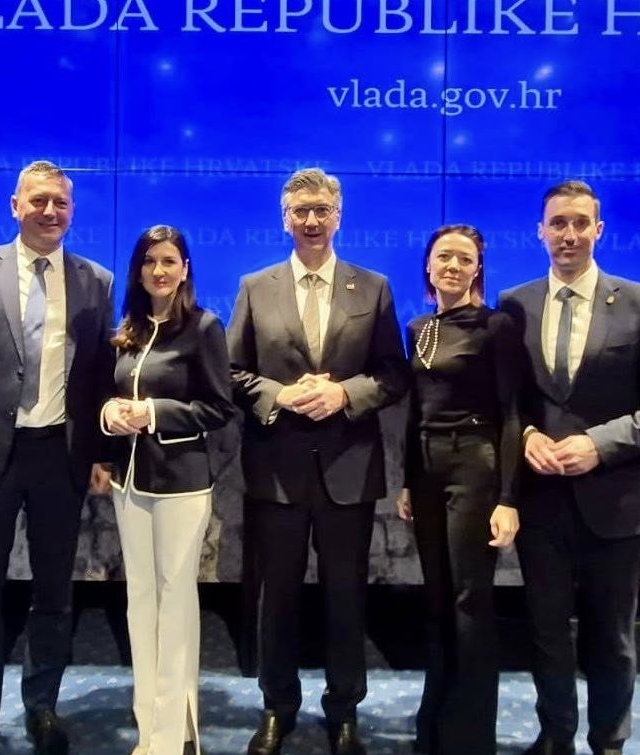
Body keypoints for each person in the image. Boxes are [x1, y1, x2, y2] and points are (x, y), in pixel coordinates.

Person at [0, 161, 116, 755]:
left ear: (72, 210)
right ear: (15, 205)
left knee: (54, 593)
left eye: (60, 202)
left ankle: (43, 707)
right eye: (38, 201)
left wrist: (103, 453)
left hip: (61, 455)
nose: (49, 211)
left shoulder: (97, 280)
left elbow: (102, 376)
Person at [498, 180, 640, 755]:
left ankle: (609, 742)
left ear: (598, 230)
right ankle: (555, 737)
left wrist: (599, 444)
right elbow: (504, 399)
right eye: (558, 223)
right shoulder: (513, 305)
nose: (569, 234)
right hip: (540, 502)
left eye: (580, 223)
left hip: (618, 500)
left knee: (611, 638)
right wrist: (527, 434)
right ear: (540, 231)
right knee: (546, 633)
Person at [227, 168, 410, 755]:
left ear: (339, 216)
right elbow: (231, 373)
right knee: (275, 597)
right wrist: (277, 396)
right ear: (284, 218)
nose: (311, 221)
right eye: (300, 211)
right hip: (276, 470)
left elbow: (393, 373)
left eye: (321, 210)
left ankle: (344, 710)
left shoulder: (373, 287)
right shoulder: (255, 286)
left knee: (345, 598)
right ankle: (276, 708)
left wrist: (344, 394)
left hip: (347, 469)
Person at [100, 225, 236, 755]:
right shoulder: (128, 330)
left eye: (169, 261)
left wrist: (154, 412)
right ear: (138, 270)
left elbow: (219, 408)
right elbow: (112, 393)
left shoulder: (204, 327)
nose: (159, 270)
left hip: (182, 485)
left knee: (175, 602)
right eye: (150, 261)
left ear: (185, 269)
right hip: (128, 481)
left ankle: (171, 737)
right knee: (140, 603)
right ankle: (152, 728)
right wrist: (110, 415)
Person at [396, 224, 521, 755]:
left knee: (470, 600)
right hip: (426, 470)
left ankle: (470, 738)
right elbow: (415, 409)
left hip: (475, 463)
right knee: (439, 599)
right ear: (428, 265)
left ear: (477, 269)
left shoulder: (497, 326)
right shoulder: (419, 327)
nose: (453, 265)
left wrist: (509, 498)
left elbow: (512, 414)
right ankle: (436, 725)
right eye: (443, 256)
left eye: (464, 259)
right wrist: (407, 479)